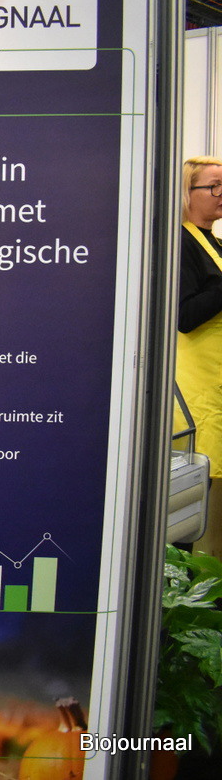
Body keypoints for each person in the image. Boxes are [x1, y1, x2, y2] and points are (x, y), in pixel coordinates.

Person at [177, 155, 222, 558]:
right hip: (195, 389)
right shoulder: (181, 243)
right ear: (187, 193)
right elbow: (186, 316)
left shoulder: (214, 242)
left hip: (216, 382)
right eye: (214, 186)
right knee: (192, 494)